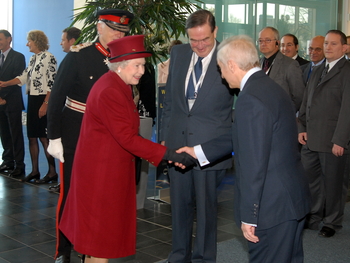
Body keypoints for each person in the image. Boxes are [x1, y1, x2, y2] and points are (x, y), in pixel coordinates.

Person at [59, 34, 196, 263]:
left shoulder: (116, 84)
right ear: (120, 66)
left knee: (96, 244)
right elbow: (128, 138)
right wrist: (169, 154)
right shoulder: (110, 90)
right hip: (101, 181)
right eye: (138, 65)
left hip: (105, 175)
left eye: (143, 65)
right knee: (99, 245)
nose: (142, 71)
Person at [176, 35, 310, 263]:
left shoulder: (251, 99)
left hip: (272, 209)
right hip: (291, 200)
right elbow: (247, 136)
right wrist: (198, 151)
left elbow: (253, 165)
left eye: (220, 68)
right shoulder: (270, 88)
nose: (221, 75)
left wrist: (250, 216)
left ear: (231, 65)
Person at [46, 9, 133, 263]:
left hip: (110, 139)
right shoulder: (78, 57)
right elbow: (57, 98)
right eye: (113, 28)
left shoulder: (126, 59)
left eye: (122, 31)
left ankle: (92, 248)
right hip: (76, 135)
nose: (118, 34)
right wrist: (54, 137)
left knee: (99, 197)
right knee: (72, 193)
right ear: (99, 27)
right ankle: (64, 250)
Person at [159, 10, 234, 263]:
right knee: (179, 208)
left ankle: (204, 258)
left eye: (204, 39)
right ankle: (178, 256)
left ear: (215, 32)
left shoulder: (229, 56)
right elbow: (169, 100)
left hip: (210, 148)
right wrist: (165, 138)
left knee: (206, 211)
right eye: (193, 40)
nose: (199, 46)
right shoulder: (178, 54)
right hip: (177, 145)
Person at [298, 29, 350, 238]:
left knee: (334, 184)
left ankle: (332, 221)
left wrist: (340, 140)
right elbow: (305, 103)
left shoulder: (347, 72)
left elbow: (348, 109)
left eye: (333, 44)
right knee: (311, 181)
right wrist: (301, 128)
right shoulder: (318, 70)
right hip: (311, 139)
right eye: (326, 43)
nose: (327, 47)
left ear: (345, 48)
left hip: (333, 141)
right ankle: (315, 215)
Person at [0, 30, 57, 181]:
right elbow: (23, 77)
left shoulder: (48, 57)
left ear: (36, 41)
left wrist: (45, 104)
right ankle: (35, 171)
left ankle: (52, 172)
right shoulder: (33, 59)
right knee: (32, 137)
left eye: (29, 41)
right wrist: (5, 83)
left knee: (44, 138)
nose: (27, 44)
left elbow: (52, 83)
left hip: (42, 100)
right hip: (32, 99)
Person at [49, 26, 82, 194]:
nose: (61, 43)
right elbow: (57, 96)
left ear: (72, 41)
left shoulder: (77, 59)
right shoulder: (71, 59)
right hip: (70, 120)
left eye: (63, 40)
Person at [258, 27, 305, 112]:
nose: (263, 43)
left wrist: (285, 114)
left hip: (280, 118)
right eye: (260, 41)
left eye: (267, 40)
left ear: (277, 43)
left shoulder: (290, 64)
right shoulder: (257, 64)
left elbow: (299, 97)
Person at [0, 30, 26, 178]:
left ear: (9, 39)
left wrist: (4, 98)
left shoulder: (18, 57)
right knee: (4, 134)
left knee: (15, 134)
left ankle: (19, 165)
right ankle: (7, 161)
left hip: (12, 101)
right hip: (0, 102)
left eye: (1, 39)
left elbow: (18, 79)